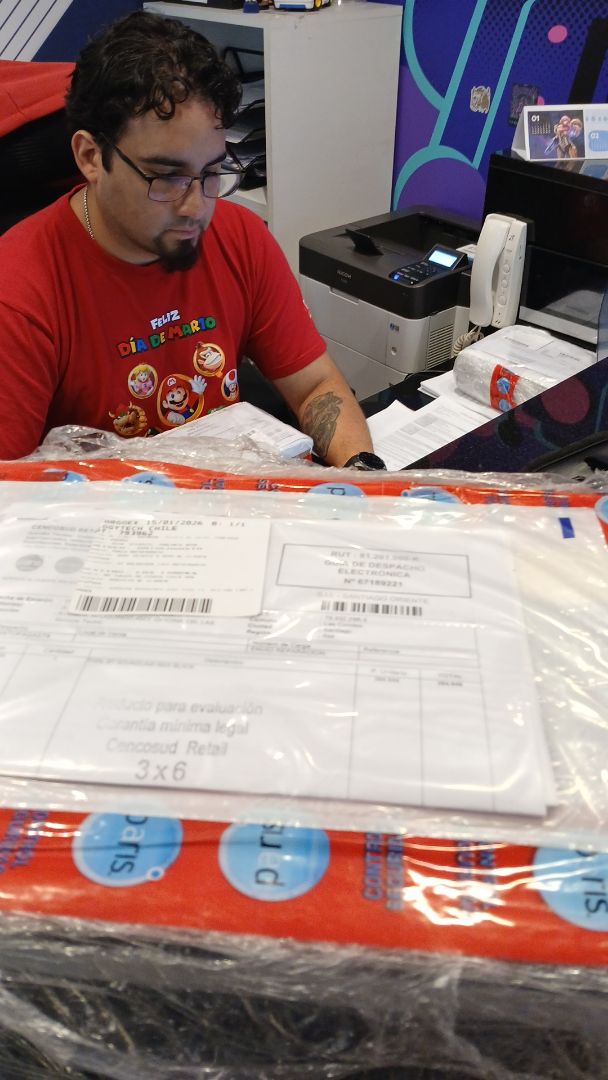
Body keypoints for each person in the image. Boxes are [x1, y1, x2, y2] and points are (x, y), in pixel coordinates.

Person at [0, 11, 384, 469]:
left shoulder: (240, 237)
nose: (196, 207)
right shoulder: (19, 294)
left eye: (211, 172)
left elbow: (315, 387)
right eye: (166, 177)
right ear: (90, 157)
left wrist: (360, 475)